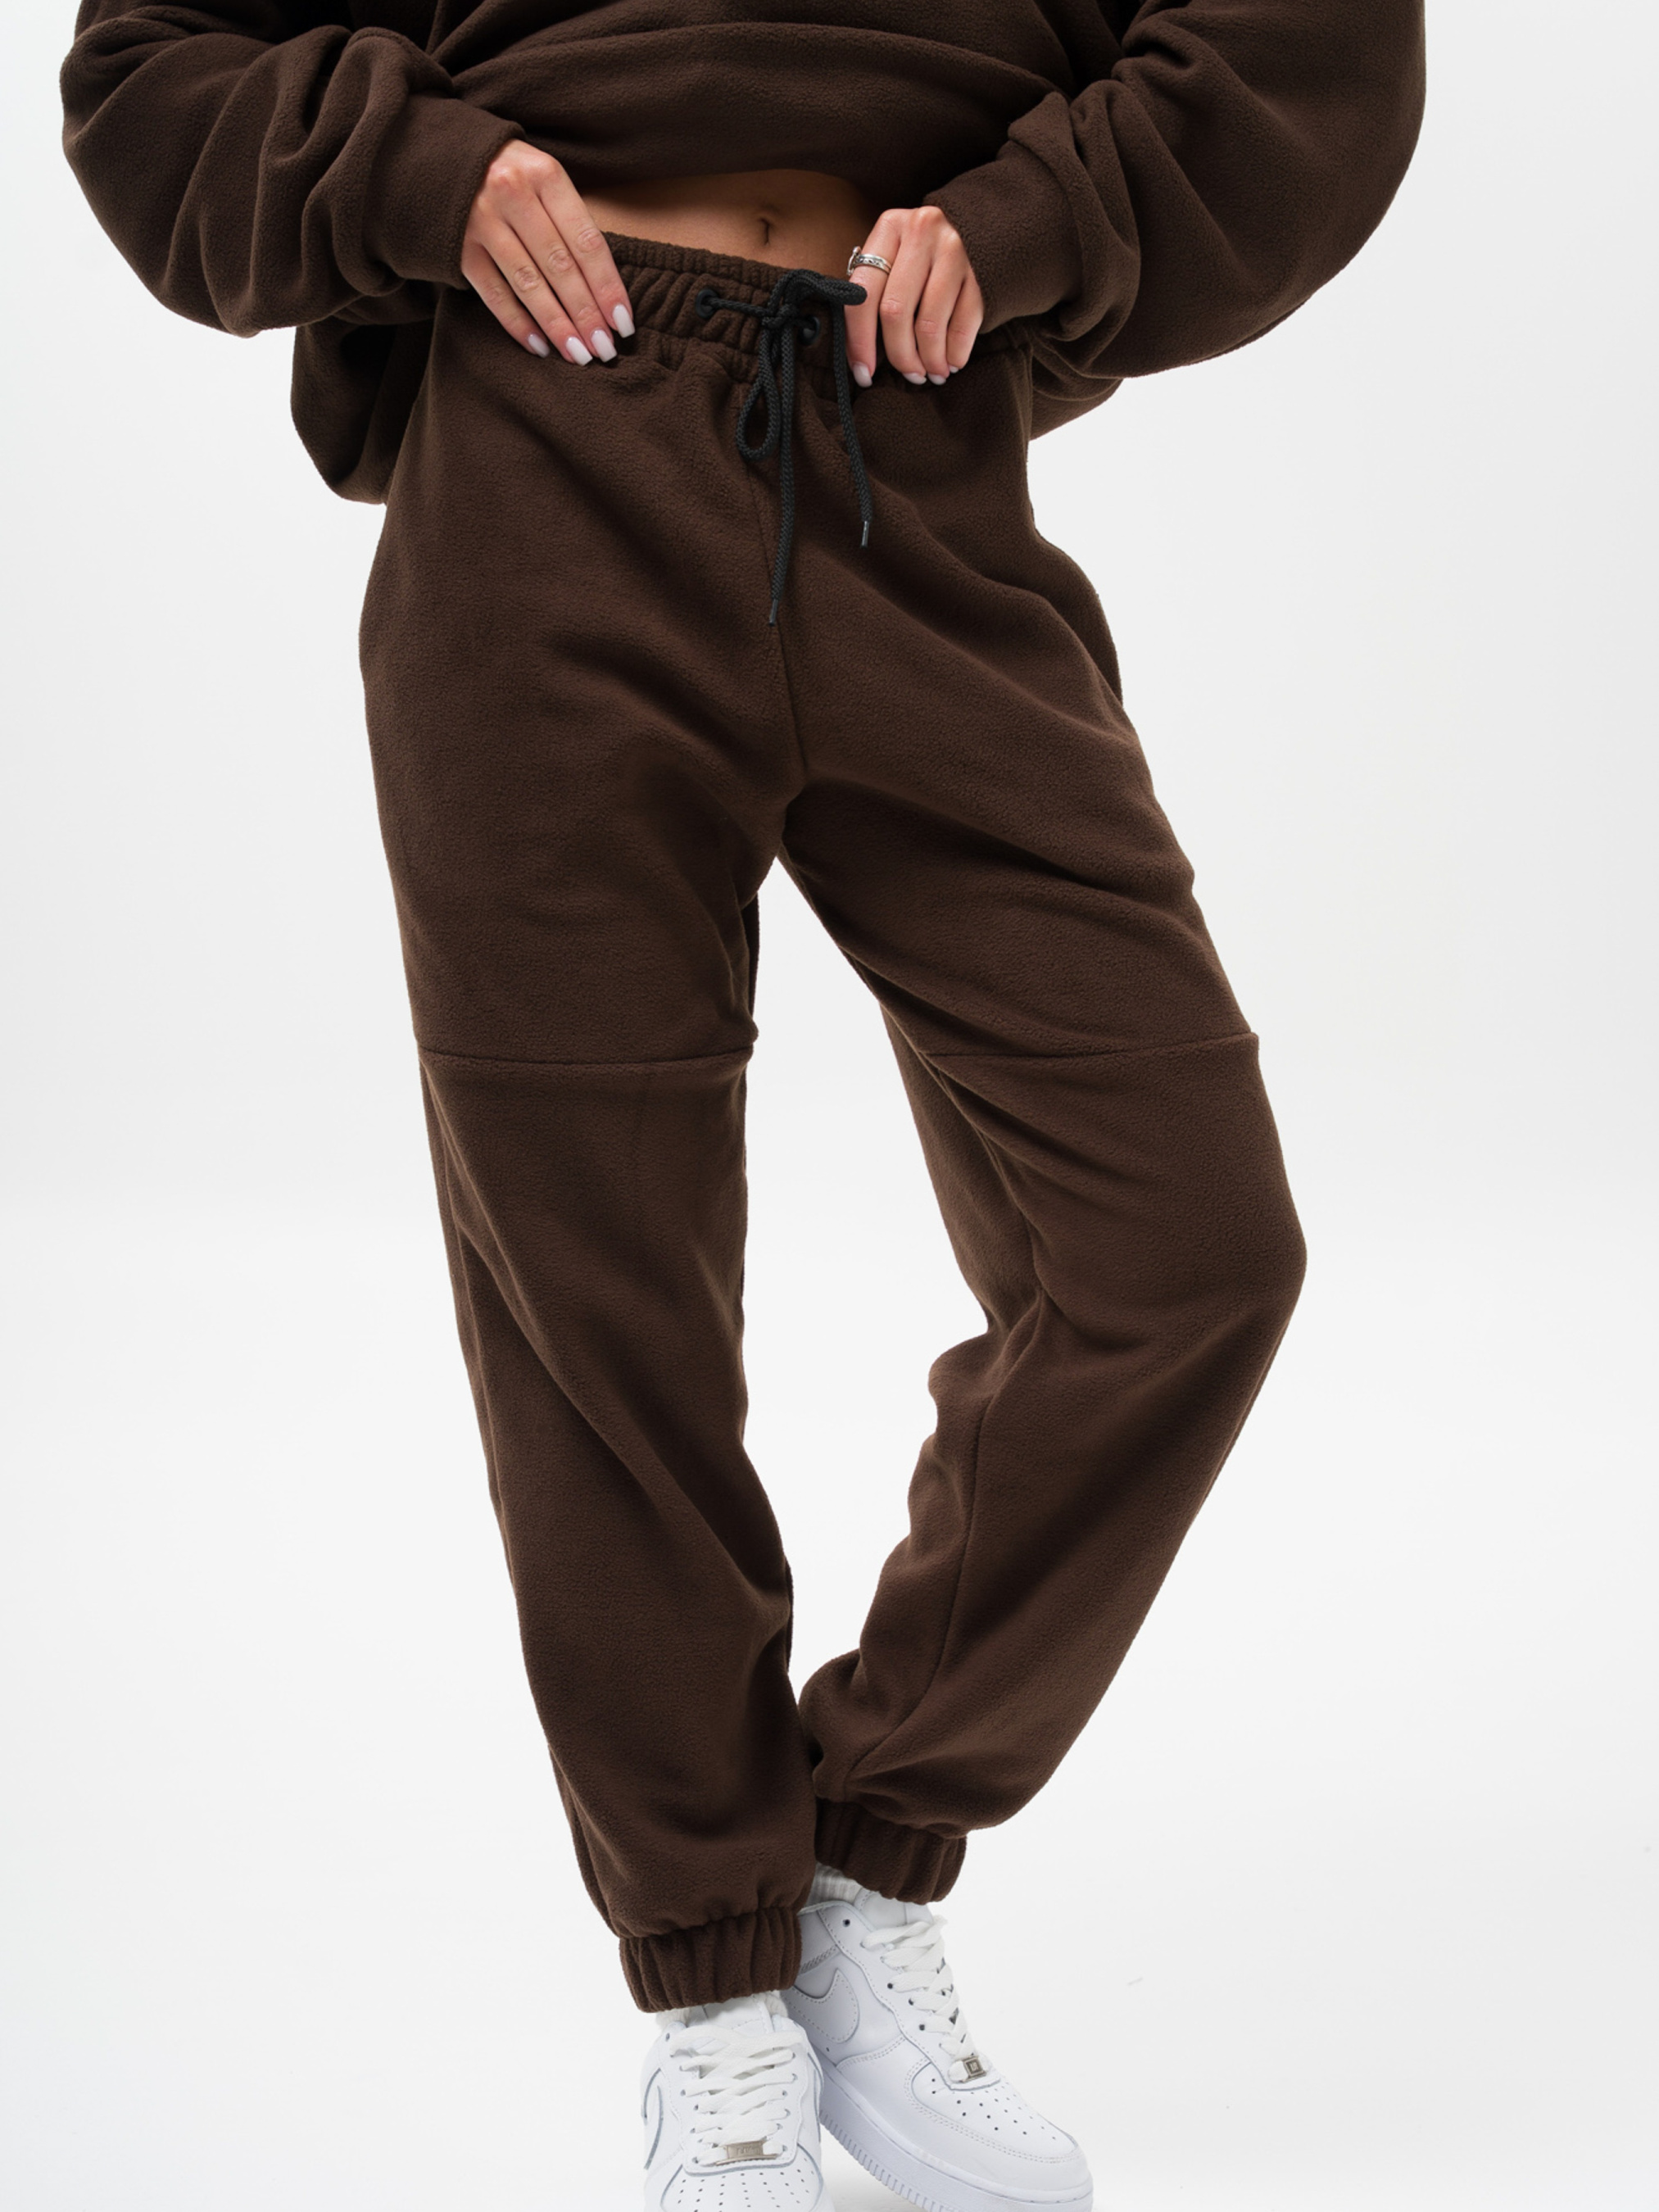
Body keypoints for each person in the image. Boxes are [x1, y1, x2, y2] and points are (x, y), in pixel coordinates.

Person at [60, 5, 1426, 2207]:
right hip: (544, 473)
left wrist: (1035, 219)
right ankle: (714, 1995)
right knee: (600, 1300)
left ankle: (866, 1857)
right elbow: (150, 70)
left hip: (912, 454)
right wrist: (419, 174)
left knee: (1184, 1247)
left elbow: (1313, 46)